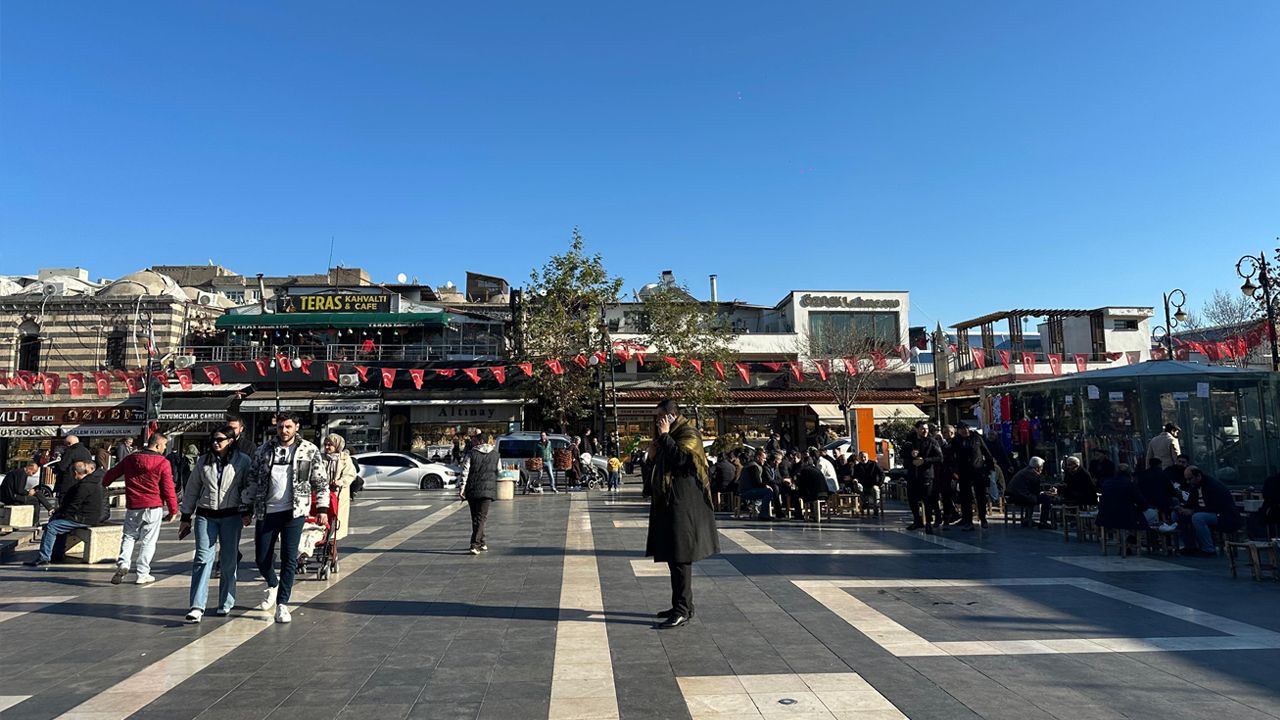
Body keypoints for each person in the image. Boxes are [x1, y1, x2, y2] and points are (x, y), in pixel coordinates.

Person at [242, 413, 331, 624]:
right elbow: (252, 479)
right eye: (281, 427)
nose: (284, 430)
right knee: (262, 558)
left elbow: (320, 481)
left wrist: (322, 508)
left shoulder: (309, 450)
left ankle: (282, 603)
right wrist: (246, 507)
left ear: (296, 427)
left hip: (295, 511)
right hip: (267, 511)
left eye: (288, 426)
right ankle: (273, 584)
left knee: (289, 558)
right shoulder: (264, 450)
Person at [644, 399, 718, 629]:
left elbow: (682, 461)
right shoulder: (667, 436)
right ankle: (683, 604)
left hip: (684, 504)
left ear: (671, 415)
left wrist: (665, 436)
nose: (657, 421)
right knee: (672, 555)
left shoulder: (688, 433)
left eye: (660, 416)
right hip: (669, 503)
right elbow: (660, 466)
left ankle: (682, 609)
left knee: (680, 556)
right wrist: (652, 455)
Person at [180, 427, 251, 623]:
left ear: (230, 440)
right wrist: (185, 516)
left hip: (231, 515)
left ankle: (226, 602)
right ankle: (197, 606)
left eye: (220, 439)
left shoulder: (243, 461)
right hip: (206, 514)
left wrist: (247, 510)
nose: (215, 443)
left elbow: (248, 487)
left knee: (228, 560)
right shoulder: (203, 461)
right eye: (213, 439)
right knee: (202, 558)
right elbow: (192, 488)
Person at [103, 433, 178, 585]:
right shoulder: (163, 462)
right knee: (148, 541)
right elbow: (168, 488)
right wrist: (173, 509)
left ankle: (123, 564)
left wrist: (104, 482)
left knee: (129, 536)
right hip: (153, 506)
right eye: (164, 445)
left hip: (134, 505)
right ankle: (142, 573)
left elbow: (111, 475)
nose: (164, 448)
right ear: (157, 445)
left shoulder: (130, 459)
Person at [23, 461, 105, 567]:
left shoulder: (84, 486)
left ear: (75, 473)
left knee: (52, 526)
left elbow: (74, 505)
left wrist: (63, 515)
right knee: (56, 521)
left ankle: (44, 557)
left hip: (84, 518)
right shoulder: (92, 482)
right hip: (87, 516)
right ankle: (56, 553)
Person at [1176, 465, 1241, 557]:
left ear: (1198, 476)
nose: (1188, 482)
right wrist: (1183, 508)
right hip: (1208, 512)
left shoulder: (1212, 485)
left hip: (1223, 515)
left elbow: (1215, 506)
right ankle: (1190, 546)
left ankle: (1208, 549)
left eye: (1190, 479)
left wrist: (1192, 511)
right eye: (1187, 479)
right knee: (1179, 515)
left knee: (1198, 518)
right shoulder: (1195, 486)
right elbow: (1191, 502)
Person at [459, 433, 499, 554]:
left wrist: (462, 488)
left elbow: (465, 471)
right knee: (481, 517)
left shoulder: (471, 454)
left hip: (472, 489)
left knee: (476, 517)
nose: (473, 442)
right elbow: (499, 470)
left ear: (480, 441)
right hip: (487, 489)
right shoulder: (496, 455)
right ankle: (478, 543)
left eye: (475, 440)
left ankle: (476, 543)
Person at [901, 420, 944, 533]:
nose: (925, 431)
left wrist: (924, 460)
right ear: (916, 429)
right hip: (912, 474)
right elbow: (902, 453)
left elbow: (940, 457)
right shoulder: (910, 441)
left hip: (926, 475)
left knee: (927, 499)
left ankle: (928, 522)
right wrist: (910, 455)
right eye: (922, 429)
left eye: (926, 429)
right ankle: (917, 520)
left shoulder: (932, 441)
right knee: (912, 499)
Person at [949, 424, 988, 530]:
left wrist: (989, 467)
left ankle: (983, 518)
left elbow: (986, 451)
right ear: (958, 431)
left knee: (980, 496)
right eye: (962, 429)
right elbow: (951, 456)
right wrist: (954, 469)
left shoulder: (976, 438)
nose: (964, 431)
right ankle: (968, 521)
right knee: (965, 497)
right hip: (963, 472)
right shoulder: (956, 441)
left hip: (977, 470)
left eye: (966, 428)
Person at [1096, 465, 1149, 537]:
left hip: (1105, 517)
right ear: (1129, 474)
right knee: (1144, 518)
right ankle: (1134, 539)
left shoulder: (1106, 483)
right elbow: (1142, 503)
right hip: (1124, 517)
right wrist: (1138, 509)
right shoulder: (1130, 484)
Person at [322, 434, 357, 540]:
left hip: (338, 493)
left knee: (337, 517)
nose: (327, 447)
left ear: (337, 445)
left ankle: (332, 540)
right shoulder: (321, 457)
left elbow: (350, 474)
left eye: (330, 445)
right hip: (323, 492)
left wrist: (341, 482)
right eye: (325, 444)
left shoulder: (344, 458)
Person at [2, 460, 55, 525]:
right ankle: (36, 522)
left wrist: (30, 492)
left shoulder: (18, 472)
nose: (32, 475)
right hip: (12, 497)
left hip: (9, 495)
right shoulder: (22, 474)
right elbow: (19, 490)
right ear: (29, 469)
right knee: (35, 500)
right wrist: (28, 492)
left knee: (37, 493)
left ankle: (50, 508)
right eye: (33, 472)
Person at [1005, 457, 1048, 527]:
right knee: (1045, 498)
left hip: (1011, 496)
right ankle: (1043, 522)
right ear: (1038, 467)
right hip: (1020, 497)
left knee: (1032, 497)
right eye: (1042, 467)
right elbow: (1036, 491)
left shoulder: (1025, 470)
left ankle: (1027, 519)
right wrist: (1044, 493)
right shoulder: (1034, 474)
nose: (1042, 468)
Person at [737, 448, 774, 520]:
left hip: (744, 490)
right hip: (746, 491)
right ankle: (763, 514)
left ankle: (756, 507)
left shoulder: (752, 465)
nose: (765, 460)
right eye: (763, 458)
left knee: (766, 491)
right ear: (757, 457)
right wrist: (766, 486)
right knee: (768, 492)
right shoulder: (753, 467)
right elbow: (757, 483)